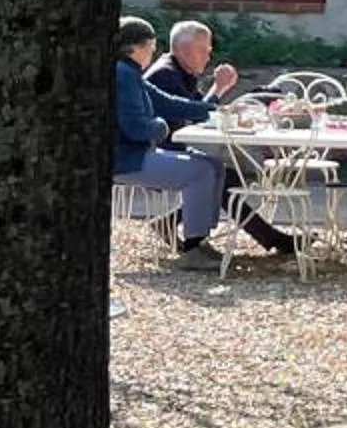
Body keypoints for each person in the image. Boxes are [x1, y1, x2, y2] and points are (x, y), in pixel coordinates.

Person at [115, 15, 299, 264]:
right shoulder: (125, 74)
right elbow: (137, 127)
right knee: (201, 171)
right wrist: (161, 127)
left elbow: (170, 103)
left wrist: (215, 111)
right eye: (151, 46)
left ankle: (198, 239)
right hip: (128, 159)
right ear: (138, 47)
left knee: (213, 167)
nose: (153, 52)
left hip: (137, 154)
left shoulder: (131, 73)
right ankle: (193, 248)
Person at [147, 19, 239, 106]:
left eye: (208, 52)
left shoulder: (183, 70)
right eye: (202, 50)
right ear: (182, 49)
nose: (207, 58)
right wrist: (218, 88)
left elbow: (199, 105)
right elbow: (194, 117)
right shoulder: (165, 75)